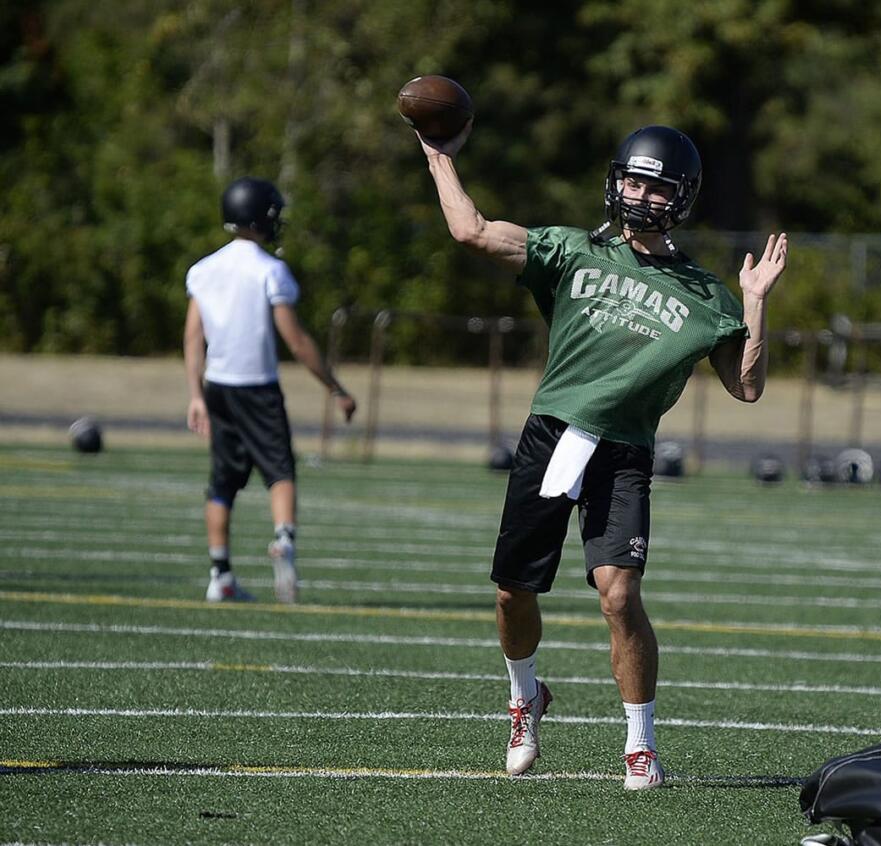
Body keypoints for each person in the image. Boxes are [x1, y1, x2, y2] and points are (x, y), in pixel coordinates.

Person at [415, 121, 787, 790]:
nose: (638, 194)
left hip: (623, 452)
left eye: (654, 185)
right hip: (554, 433)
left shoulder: (706, 295)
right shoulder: (571, 250)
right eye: (632, 179)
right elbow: (470, 230)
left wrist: (756, 303)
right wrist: (438, 155)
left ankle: (640, 747)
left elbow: (748, 385)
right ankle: (525, 696)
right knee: (512, 593)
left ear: (680, 198)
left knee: (619, 596)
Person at [183, 177, 357, 604]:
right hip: (257, 387)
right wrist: (335, 387)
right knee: (280, 471)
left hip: (218, 387)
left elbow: (192, 337)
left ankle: (219, 574)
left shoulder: (203, 269)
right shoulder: (270, 270)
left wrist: (195, 395)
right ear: (261, 217)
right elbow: (296, 340)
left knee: (222, 482)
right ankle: (284, 540)